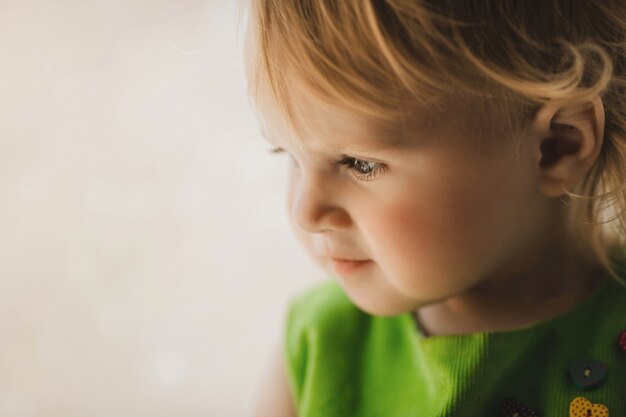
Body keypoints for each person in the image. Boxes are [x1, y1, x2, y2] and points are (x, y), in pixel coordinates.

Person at [242, 1, 626, 416]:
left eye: (361, 163)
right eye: (289, 154)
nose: (306, 212)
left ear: (557, 147)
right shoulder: (319, 345)